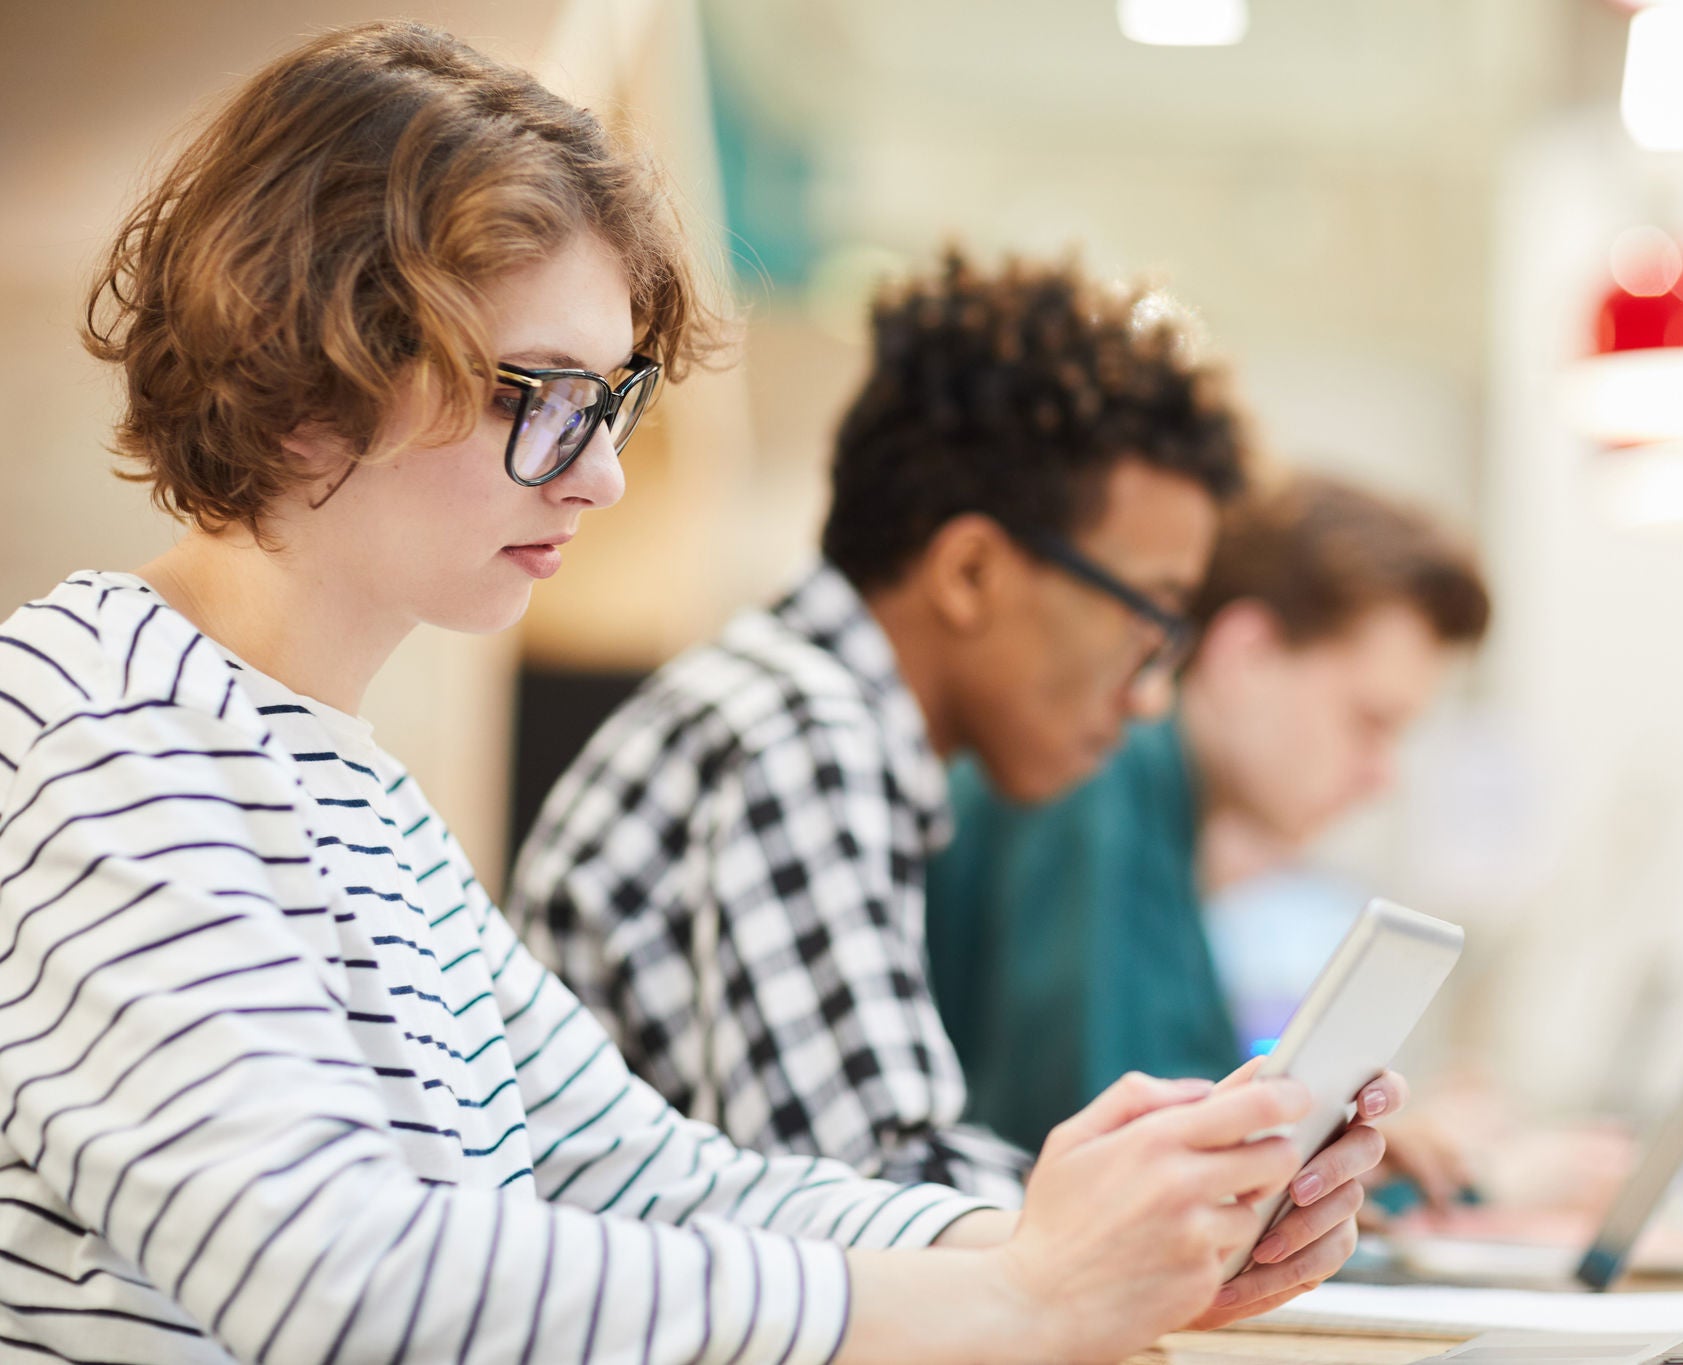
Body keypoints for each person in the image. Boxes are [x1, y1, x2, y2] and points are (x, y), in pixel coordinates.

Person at [0, 24, 1395, 1365]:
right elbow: (336, 1276)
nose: (599, 474)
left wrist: (1065, 1236)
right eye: (535, 395)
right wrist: (1021, 1293)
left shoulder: (346, 782)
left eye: (606, 405)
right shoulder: (100, 732)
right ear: (307, 355)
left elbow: (646, 1178)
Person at [512, 248, 1342, 1203]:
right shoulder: (801, 730)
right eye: (1149, 622)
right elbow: (871, 1198)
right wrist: (1185, 1198)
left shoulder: (803, 715)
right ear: (971, 574)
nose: (1149, 696)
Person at [926, 474, 1491, 1181]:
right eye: (1369, 723)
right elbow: (1114, 1154)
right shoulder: (1096, 781)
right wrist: (1474, 1183)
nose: (1384, 775)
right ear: (1246, 653)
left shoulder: (1158, 809)